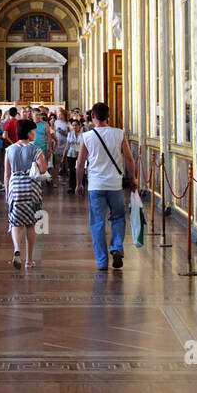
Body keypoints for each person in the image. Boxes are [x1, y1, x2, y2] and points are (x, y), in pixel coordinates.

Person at [74, 101, 138, 270]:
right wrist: (133, 179)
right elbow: (129, 159)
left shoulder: (86, 137)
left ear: (92, 116)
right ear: (108, 116)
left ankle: (102, 261)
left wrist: (79, 183)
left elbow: (80, 163)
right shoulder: (118, 133)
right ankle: (116, 247)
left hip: (95, 185)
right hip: (115, 185)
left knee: (97, 223)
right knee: (117, 217)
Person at [4, 118, 47, 270]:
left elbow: (7, 175)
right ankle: (29, 260)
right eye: (33, 131)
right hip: (31, 188)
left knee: (16, 222)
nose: (35, 133)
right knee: (30, 224)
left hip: (15, 188)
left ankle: (17, 249)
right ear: (28, 133)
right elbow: (42, 169)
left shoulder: (9, 150)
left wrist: (8, 195)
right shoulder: (35, 149)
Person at [65, 115, 83, 190]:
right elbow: (67, 145)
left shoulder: (83, 135)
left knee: (79, 169)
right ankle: (71, 186)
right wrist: (64, 155)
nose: (74, 127)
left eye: (76, 125)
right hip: (71, 153)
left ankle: (79, 185)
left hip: (80, 154)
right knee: (71, 170)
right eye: (73, 125)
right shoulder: (70, 134)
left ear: (79, 126)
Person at [53, 107, 69, 177]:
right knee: (57, 159)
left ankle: (66, 171)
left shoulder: (67, 123)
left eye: (61, 114)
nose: (59, 116)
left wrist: (62, 132)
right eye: (58, 114)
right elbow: (53, 131)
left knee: (65, 159)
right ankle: (57, 173)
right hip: (58, 142)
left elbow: (69, 134)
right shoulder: (56, 122)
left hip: (65, 142)